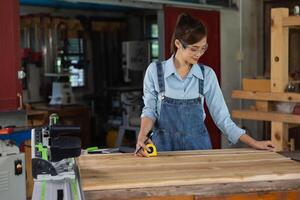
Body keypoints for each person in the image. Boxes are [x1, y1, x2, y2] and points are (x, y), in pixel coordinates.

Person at [135, 13, 274, 157]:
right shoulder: (155, 71)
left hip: (199, 152)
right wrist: (142, 136)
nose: (199, 54)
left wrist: (254, 143)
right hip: (164, 151)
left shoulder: (206, 75)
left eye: (203, 48)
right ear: (178, 44)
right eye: (194, 49)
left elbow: (223, 119)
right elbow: (150, 111)